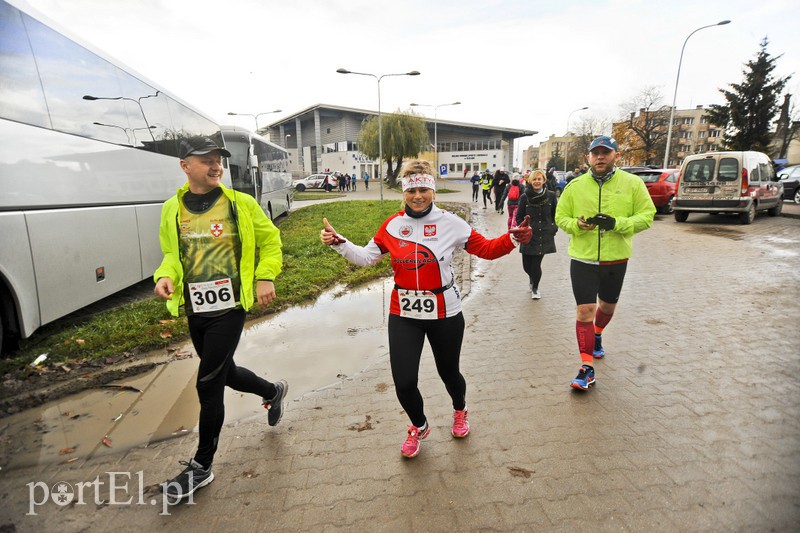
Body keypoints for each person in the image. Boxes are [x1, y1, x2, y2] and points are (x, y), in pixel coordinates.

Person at [319, 159, 531, 458]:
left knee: (449, 373)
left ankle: (460, 410)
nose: (418, 196)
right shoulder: (392, 226)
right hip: (404, 313)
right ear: (404, 193)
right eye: (411, 191)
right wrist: (339, 243)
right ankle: (419, 426)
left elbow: (485, 248)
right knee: (404, 382)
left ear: (433, 191)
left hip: (445, 311)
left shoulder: (451, 223)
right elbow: (366, 257)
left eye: (423, 190)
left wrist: (511, 238)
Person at [153, 136, 288, 500]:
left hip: (229, 308)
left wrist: (265, 276)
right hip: (196, 308)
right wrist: (165, 276)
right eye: (207, 160)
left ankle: (202, 466)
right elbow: (171, 254)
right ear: (186, 165)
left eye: (219, 160)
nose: (216, 166)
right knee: (224, 372)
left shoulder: (239, 204)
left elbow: (271, 240)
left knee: (207, 383)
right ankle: (272, 390)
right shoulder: (171, 209)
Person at [555, 136, 655, 391]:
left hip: (615, 258)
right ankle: (586, 368)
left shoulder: (632, 183)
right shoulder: (575, 186)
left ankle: (597, 333)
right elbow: (560, 217)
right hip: (583, 258)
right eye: (595, 153)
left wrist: (617, 224)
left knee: (607, 308)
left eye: (605, 152)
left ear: (616, 156)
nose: (600, 157)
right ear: (588, 157)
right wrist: (576, 225)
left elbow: (647, 216)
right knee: (584, 311)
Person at [516, 170, 557, 299]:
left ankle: (535, 288)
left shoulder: (550, 196)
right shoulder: (524, 197)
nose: (537, 182)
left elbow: (556, 214)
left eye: (539, 179)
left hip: (544, 234)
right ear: (530, 181)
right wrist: (522, 229)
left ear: (544, 180)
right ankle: (532, 277)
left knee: (536, 264)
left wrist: (553, 228)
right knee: (526, 265)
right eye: (534, 179)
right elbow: (519, 216)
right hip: (528, 235)